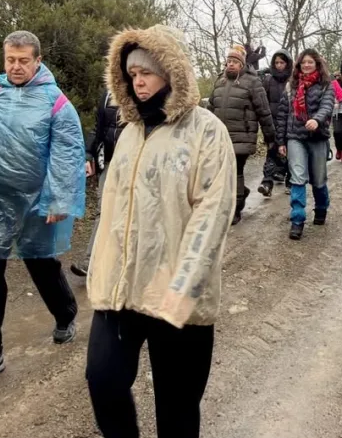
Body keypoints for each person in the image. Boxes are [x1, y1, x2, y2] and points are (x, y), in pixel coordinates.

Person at [86, 24, 236, 438]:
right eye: (132, 74)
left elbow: (213, 213)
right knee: (103, 380)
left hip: (177, 294)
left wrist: (183, 286)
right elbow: (113, 210)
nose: (138, 82)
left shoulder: (206, 131)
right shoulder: (129, 133)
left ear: (172, 73)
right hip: (122, 290)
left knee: (177, 408)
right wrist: (101, 274)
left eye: (147, 73)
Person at [0, 30, 85, 394]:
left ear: (37, 61)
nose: (15, 66)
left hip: (36, 203)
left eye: (23, 60)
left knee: (41, 265)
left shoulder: (55, 102)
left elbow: (67, 152)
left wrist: (59, 199)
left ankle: (66, 314)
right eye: (10, 59)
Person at [208, 44, 275, 224]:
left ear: (242, 64)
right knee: (221, 173)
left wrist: (270, 137)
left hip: (242, 136)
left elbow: (264, 110)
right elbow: (210, 109)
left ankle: (235, 209)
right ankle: (240, 193)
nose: (230, 64)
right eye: (228, 61)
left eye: (235, 62)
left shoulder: (253, 82)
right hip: (221, 137)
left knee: (234, 171)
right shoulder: (219, 81)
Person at [275, 49, 335, 240]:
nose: (307, 65)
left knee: (318, 179)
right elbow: (283, 114)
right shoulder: (291, 86)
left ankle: (321, 208)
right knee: (298, 177)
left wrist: (317, 120)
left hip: (317, 137)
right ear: (299, 65)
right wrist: (280, 141)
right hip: (295, 137)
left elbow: (327, 106)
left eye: (310, 62)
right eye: (303, 62)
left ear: (317, 64)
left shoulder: (327, 85)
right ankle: (297, 219)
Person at [71, 89, 125, 277]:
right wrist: (88, 154)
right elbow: (98, 128)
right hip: (109, 161)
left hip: (138, 165)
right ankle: (90, 261)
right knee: (104, 210)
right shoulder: (109, 92)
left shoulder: (145, 88)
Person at [258, 49, 292, 197]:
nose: (279, 65)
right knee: (271, 152)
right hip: (272, 121)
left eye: (282, 62)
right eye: (276, 62)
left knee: (291, 153)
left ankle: (291, 181)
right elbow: (263, 101)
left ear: (287, 63)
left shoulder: (293, 80)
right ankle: (267, 183)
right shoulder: (268, 80)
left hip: (289, 122)